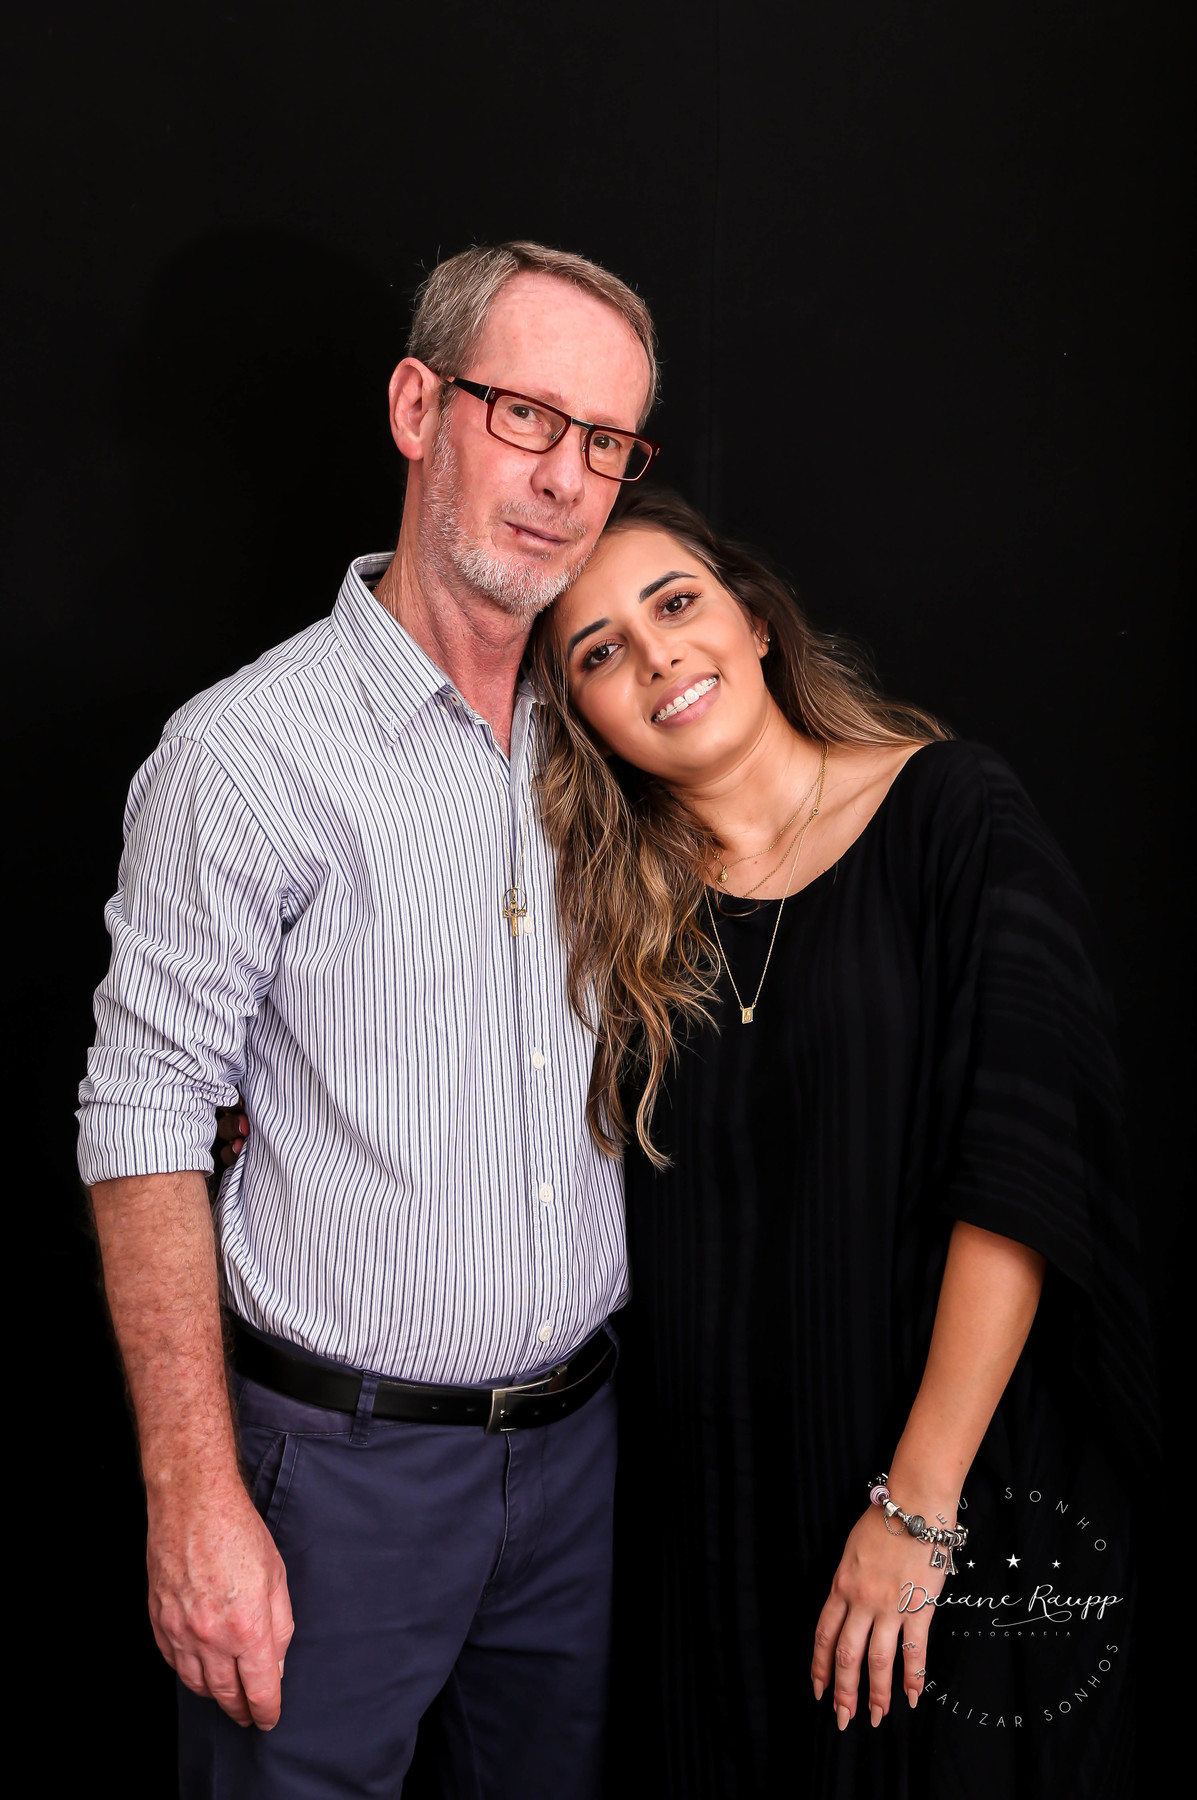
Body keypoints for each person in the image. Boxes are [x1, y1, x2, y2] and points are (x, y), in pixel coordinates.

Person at [76, 240, 664, 1800]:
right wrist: (191, 1495)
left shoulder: (610, 732)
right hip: (335, 1481)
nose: (565, 478)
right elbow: (142, 1114)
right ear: (418, 406)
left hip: (581, 1459)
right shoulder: (247, 753)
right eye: (526, 415)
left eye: (606, 441)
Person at [525, 487, 1156, 1799]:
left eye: (676, 603)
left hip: (939, 1491)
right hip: (706, 1529)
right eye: (599, 653)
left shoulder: (950, 813)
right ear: (581, 717)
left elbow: (1023, 1171)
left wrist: (917, 1506)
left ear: (755, 621)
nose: (657, 657)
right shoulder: (609, 925)